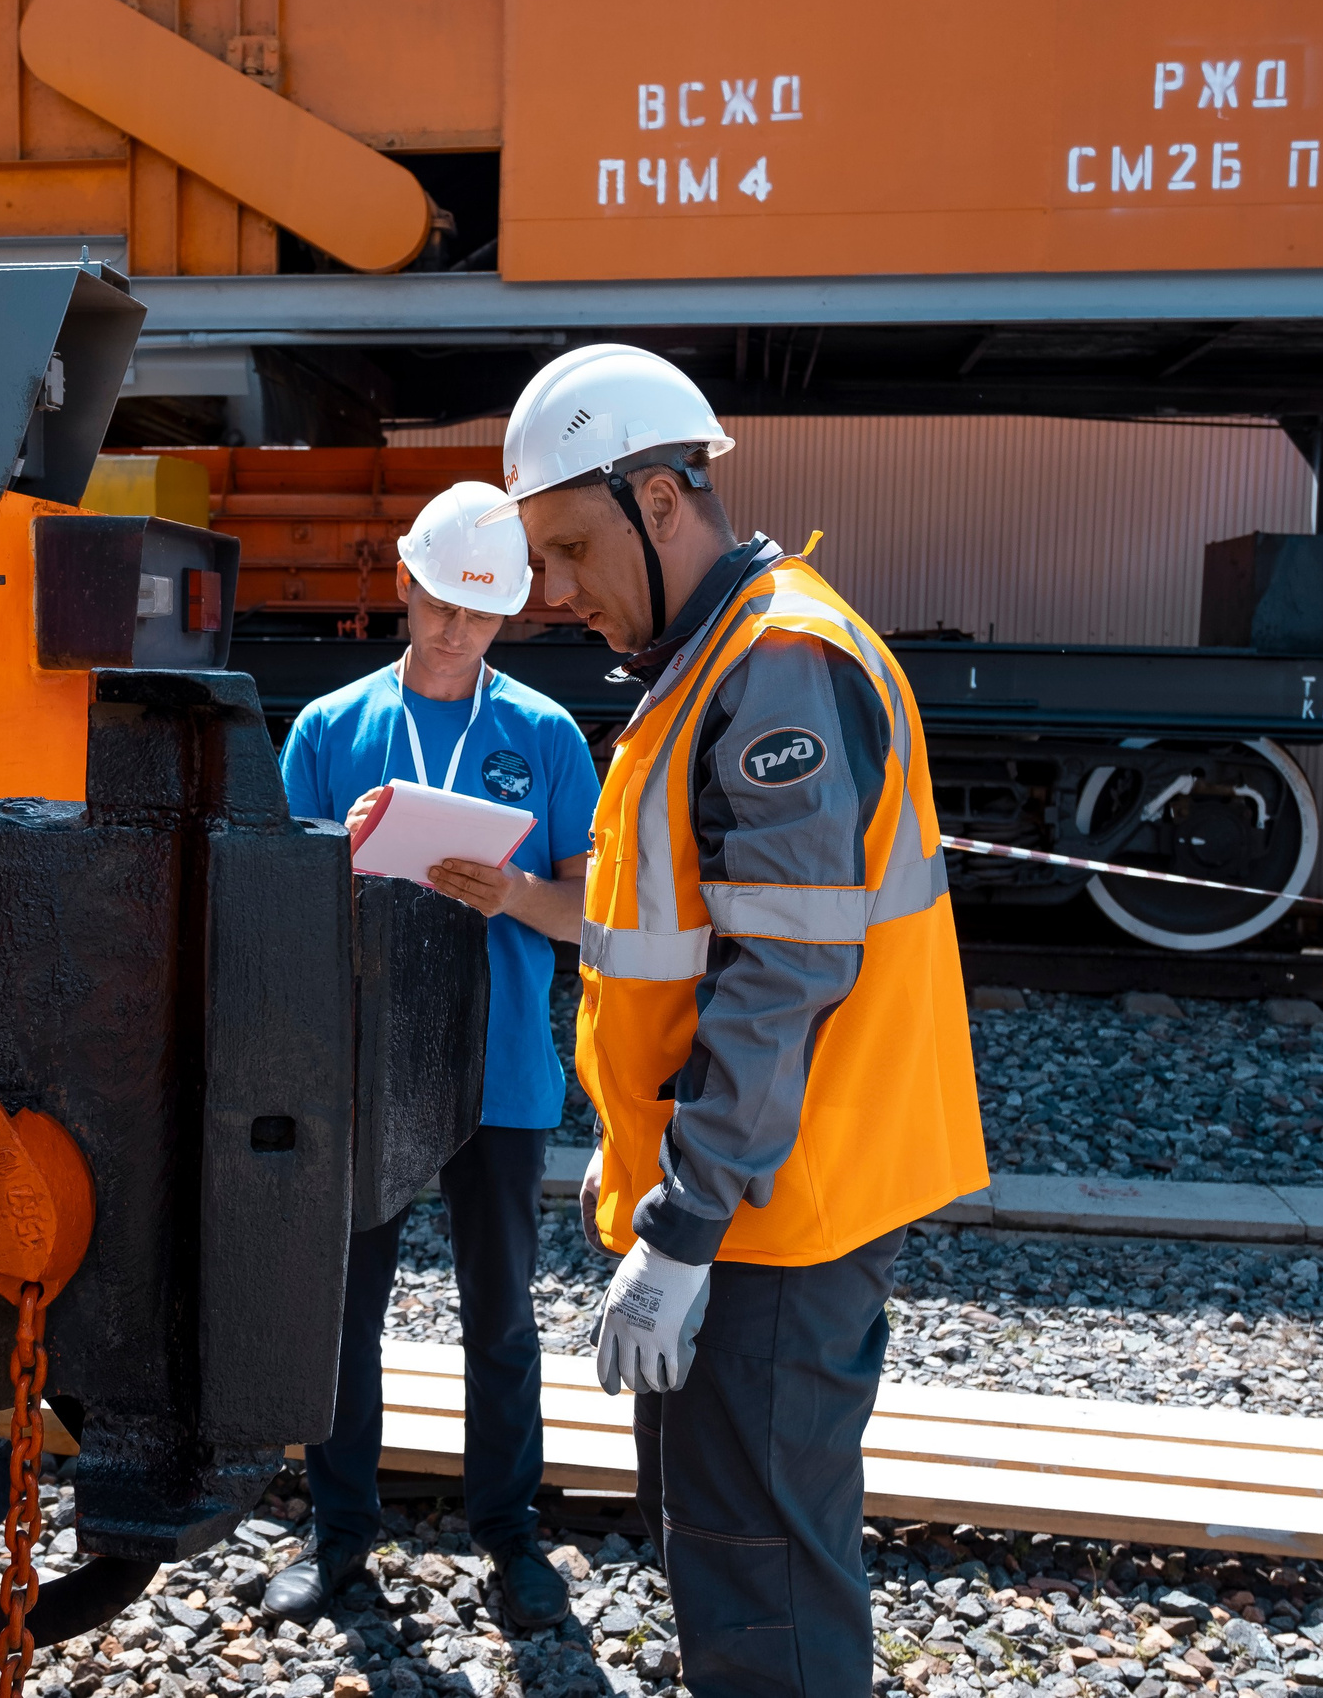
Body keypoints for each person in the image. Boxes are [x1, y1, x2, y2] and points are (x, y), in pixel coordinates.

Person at [484, 344, 988, 1695]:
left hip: (775, 1213)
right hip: (752, 1189)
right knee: (737, 1557)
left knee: (760, 1581)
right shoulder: (711, 657)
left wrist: (686, 1220)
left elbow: (782, 975)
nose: (555, 592)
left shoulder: (774, 665)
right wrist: (641, 1142)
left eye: (573, 547)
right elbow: (682, 945)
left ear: (660, 497)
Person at [270, 479, 599, 1632]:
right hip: (359, 1072)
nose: (458, 628)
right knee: (342, 1316)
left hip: (501, 1072)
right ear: (404, 585)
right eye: (442, 601)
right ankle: (339, 1533)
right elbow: (273, 916)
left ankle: (509, 1536)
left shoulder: (544, 737)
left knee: (500, 1315)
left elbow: (593, 911)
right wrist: (339, 867)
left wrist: (511, 892)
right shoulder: (327, 730)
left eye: (483, 610)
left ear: (506, 614)